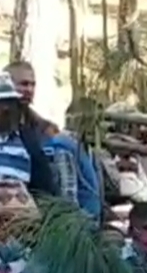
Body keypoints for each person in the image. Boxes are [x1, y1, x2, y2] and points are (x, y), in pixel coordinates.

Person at [8, 61, 102, 217]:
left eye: (32, 85)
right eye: (23, 84)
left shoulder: (48, 135)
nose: (29, 90)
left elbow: (66, 191)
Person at [0, 71, 60, 196]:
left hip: (21, 207)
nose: (6, 108)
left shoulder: (27, 138)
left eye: (10, 102)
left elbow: (43, 185)